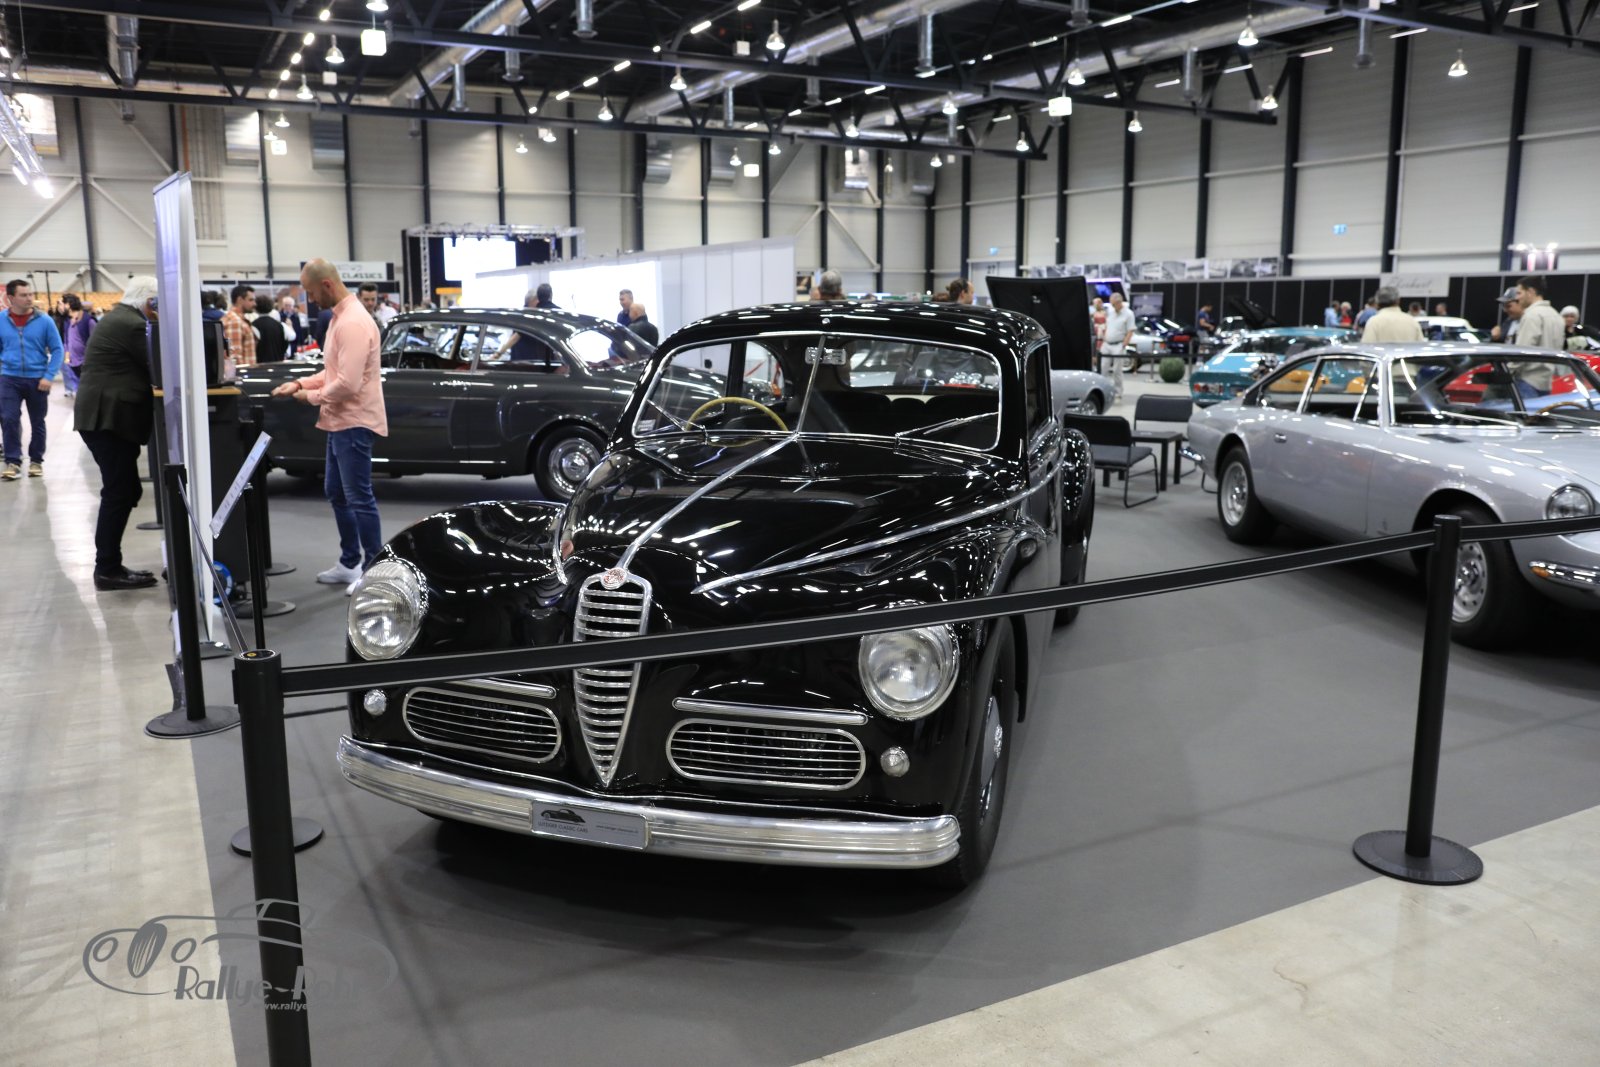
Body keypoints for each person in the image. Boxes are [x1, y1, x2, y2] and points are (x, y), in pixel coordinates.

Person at [270, 259, 387, 595]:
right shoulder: (340, 318)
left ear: (326, 285)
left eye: (310, 293)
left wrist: (309, 397)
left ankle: (373, 570)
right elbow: (334, 371)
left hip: (354, 421)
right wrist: (299, 383)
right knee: (337, 492)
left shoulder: (352, 323)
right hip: (339, 421)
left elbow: (348, 384)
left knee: (359, 497)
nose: (309, 300)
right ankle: (350, 563)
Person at [73, 277, 161, 590]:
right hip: (107, 419)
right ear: (150, 302)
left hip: (103, 418)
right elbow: (161, 364)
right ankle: (107, 569)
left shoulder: (120, 318)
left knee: (125, 490)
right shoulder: (132, 324)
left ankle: (110, 565)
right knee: (118, 492)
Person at [1, 278, 65, 480]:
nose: (29, 298)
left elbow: (58, 349)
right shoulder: (1, 320)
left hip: (38, 379)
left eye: (30, 294)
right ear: (11, 298)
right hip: (9, 378)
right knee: (9, 419)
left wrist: (49, 375)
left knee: (38, 421)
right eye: (23, 295)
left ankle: (36, 460)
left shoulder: (45, 321)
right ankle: (13, 461)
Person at [1100, 291, 1136, 401]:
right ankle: (1102, 389)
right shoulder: (1111, 312)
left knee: (1117, 370)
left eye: (1114, 304)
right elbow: (1107, 326)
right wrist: (1104, 337)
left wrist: (1124, 345)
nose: (1112, 306)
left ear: (1119, 302)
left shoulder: (1128, 314)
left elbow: (1130, 330)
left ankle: (1118, 391)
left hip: (1118, 345)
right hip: (1107, 344)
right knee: (1103, 368)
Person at [1513, 275, 1566, 350]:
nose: (1516, 298)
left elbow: (1523, 351)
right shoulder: (1556, 315)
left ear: (1530, 292)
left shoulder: (1531, 315)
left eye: (1519, 293)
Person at [62, 295, 97, 397]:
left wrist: (89, 360)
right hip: (72, 363)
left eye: (63, 304)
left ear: (69, 305)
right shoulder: (67, 321)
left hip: (87, 364)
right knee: (80, 392)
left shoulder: (88, 320)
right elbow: (67, 341)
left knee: (90, 392)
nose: (61, 307)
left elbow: (95, 343)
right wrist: (67, 359)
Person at [221, 283, 256, 370]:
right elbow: (235, 357)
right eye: (251, 300)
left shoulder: (236, 319)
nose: (254, 304)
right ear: (240, 300)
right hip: (243, 373)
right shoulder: (235, 321)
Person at [252, 295, 289, 363]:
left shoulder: (253, 325)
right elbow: (285, 344)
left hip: (261, 364)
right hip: (279, 363)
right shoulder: (279, 325)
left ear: (256, 308)